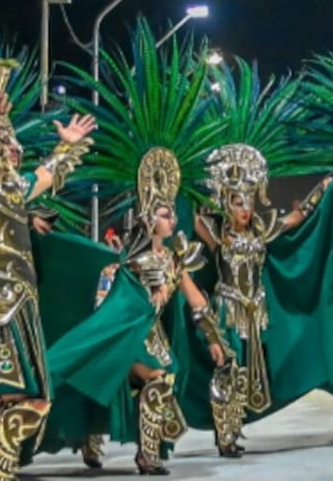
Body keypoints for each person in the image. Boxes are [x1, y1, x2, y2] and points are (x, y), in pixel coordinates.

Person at [42, 148, 228, 475]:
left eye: (172, 214)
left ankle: (124, 445)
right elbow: (111, 299)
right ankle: (144, 455)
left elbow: (196, 301)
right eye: (164, 214)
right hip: (128, 337)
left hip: (153, 337)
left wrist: (213, 338)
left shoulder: (173, 261)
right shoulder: (131, 262)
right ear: (148, 219)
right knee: (155, 379)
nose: (172, 219)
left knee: (160, 380)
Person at [0, 68, 96, 481]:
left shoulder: (13, 189)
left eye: (13, 143)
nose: (14, 148)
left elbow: (45, 174)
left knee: (26, 401)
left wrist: (66, 146)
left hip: (22, 304)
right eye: (6, 143)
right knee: (9, 399)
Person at [194, 145, 332, 458]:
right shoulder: (217, 232)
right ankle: (224, 435)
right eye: (237, 202)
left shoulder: (261, 229)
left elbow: (295, 218)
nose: (245, 208)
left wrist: (321, 191)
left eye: (249, 200)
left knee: (247, 371)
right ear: (225, 202)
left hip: (256, 311)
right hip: (228, 309)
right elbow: (191, 217)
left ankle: (234, 427)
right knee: (227, 369)